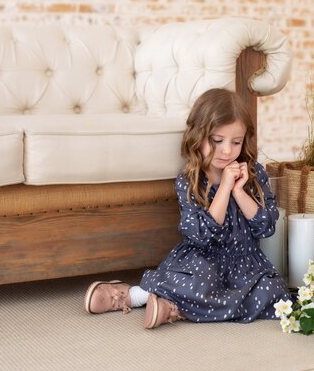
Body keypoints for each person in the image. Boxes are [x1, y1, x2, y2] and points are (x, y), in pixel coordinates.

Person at [84, 88, 291, 329]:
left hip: (244, 263)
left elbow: (266, 226)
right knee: (194, 282)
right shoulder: (190, 180)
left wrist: (239, 191)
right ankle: (133, 295)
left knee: (275, 293)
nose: (227, 150)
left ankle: (174, 308)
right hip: (202, 260)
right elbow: (202, 237)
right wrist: (224, 188)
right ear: (198, 135)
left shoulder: (254, 173)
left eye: (236, 142)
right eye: (217, 141)